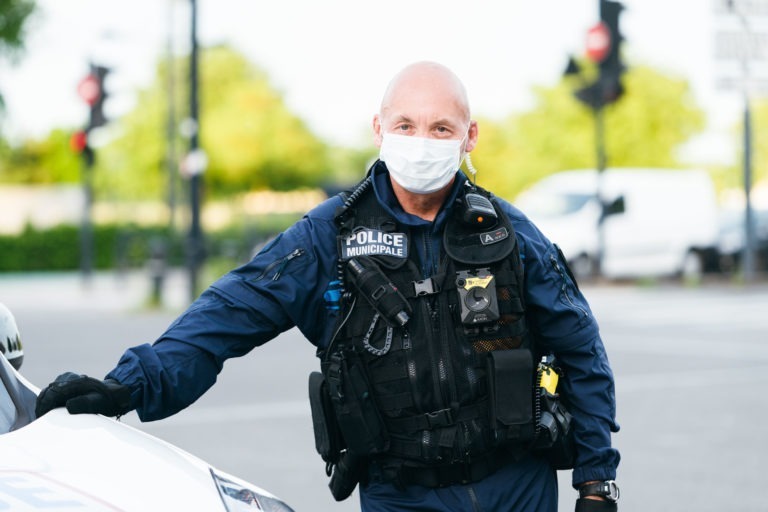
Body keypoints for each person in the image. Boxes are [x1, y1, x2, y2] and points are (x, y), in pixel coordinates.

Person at [35, 61, 620, 512]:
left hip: (516, 484)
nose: (423, 140)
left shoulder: (511, 234)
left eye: (441, 127)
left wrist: (597, 481)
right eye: (406, 125)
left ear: (470, 137)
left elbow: (581, 350)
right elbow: (225, 317)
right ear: (378, 130)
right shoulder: (326, 238)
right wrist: (123, 389)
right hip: (400, 493)